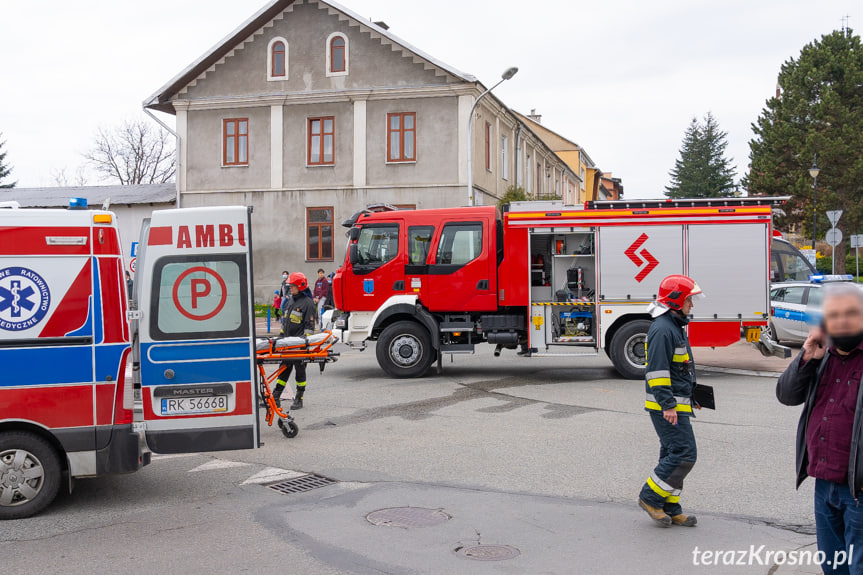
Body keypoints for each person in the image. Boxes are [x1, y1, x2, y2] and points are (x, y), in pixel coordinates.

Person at [777, 282, 863, 573]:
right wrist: (806, 355)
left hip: (859, 488)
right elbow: (787, 396)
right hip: (824, 484)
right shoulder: (820, 355)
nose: (842, 320)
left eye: (851, 313)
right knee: (833, 565)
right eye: (834, 314)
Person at [638, 274, 705, 527]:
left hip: (676, 403)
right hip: (665, 406)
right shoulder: (663, 329)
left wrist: (692, 396)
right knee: (685, 453)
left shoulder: (673, 326)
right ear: (677, 301)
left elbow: (680, 370)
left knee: (672, 453)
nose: (692, 305)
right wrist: (667, 405)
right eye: (689, 300)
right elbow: (656, 371)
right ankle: (650, 497)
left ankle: (670, 506)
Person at [273, 272, 316, 410]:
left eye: (292, 286)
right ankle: (276, 395)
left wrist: (304, 345)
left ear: (300, 286)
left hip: (298, 346)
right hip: (286, 344)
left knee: (300, 372)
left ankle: (299, 398)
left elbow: (309, 328)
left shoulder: (308, 303)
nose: (290, 288)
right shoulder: (291, 300)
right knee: (283, 370)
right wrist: (280, 340)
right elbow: (285, 323)